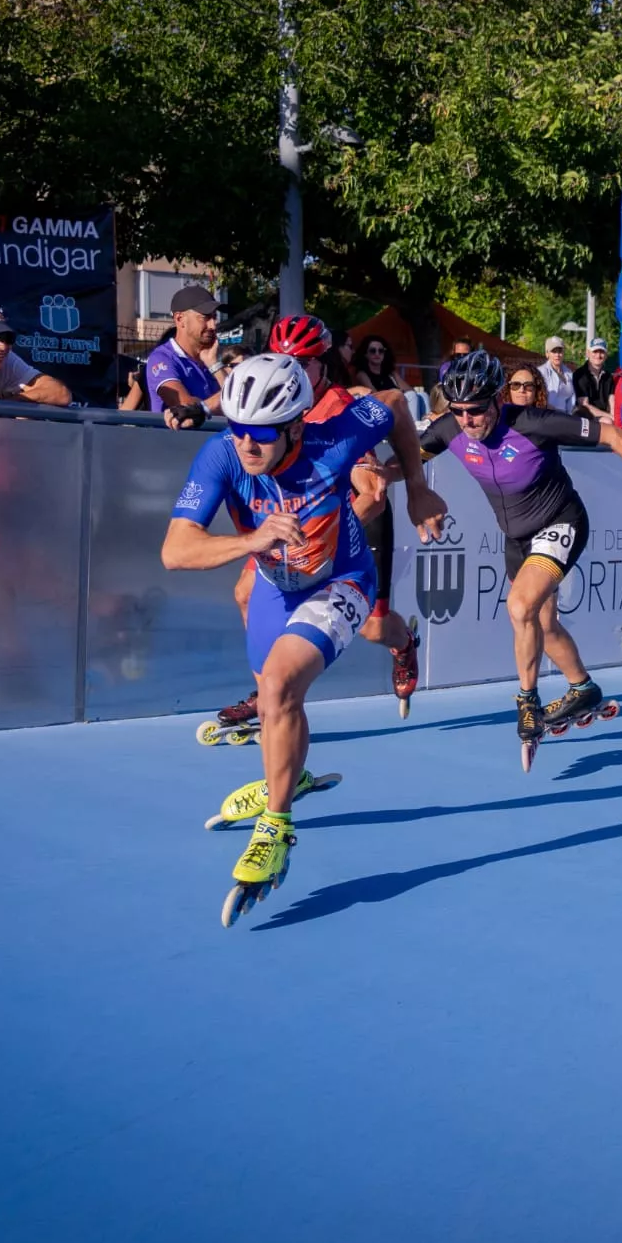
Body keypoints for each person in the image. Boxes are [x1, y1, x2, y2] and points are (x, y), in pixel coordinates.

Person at [162, 353, 446, 925]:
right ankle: (285, 778)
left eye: (260, 434)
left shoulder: (334, 439)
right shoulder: (221, 453)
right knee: (270, 696)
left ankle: (277, 825)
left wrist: (416, 487)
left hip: (342, 577)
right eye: (238, 429)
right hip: (275, 583)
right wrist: (250, 542)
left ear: (295, 426)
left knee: (282, 686)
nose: (246, 444)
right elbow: (175, 551)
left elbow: (392, 405)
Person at [417, 350, 622, 767]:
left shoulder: (531, 422)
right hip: (516, 539)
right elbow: (407, 462)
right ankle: (583, 688)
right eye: (459, 412)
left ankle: (526, 700)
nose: (467, 421)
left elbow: (611, 435)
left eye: (476, 411)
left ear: (497, 399)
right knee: (542, 622)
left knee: (519, 606)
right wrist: (371, 470)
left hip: (560, 523)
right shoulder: (452, 429)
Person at [201, 316, 435, 741]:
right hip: (290, 536)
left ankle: (404, 645)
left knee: (374, 628)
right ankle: (270, 690)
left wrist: (319, 528)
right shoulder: (266, 402)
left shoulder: (343, 409)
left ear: (323, 365)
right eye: (283, 358)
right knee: (243, 591)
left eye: (304, 362)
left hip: (349, 535)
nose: (293, 368)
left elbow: (372, 495)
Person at [144, 286, 225, 427]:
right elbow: (186, 408)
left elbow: (244, 407)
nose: (213, 325)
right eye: (205, 317)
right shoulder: (162, 358)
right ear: (180, 319)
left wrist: (215, 365)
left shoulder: (213, 358)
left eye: (214, 317)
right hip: (179, 446)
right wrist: (231, 397)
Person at [574, 338, 617, 423]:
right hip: (584, 417)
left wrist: (615, 418)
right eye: (595, 351)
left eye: (602, 352)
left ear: (606, 355)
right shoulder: (580, 375)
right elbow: (584, 406)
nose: (598, 355)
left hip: (605, 417)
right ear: (588, 353)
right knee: (608, 421)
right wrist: (610, 417)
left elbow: (612, 402)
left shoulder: (608, 376)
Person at [534, 337, 577, 413]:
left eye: (560, 351)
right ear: (547, 353)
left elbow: (571, 399)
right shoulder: (540, 372)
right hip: (547, 415)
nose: (557, 355)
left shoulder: (569, 373)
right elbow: (536, 396)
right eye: (553, 351)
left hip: (567, 417)